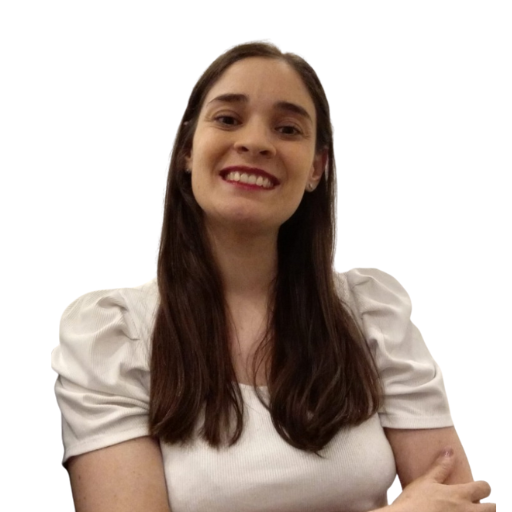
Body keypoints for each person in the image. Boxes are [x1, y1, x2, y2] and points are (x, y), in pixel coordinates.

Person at [51, 42, 495, 512]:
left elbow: (457, 504)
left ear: (316, 168)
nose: (256, 142)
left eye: (287, 129)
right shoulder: (111, 340)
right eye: (227, 119)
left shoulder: (374, 317)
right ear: (187, 151)